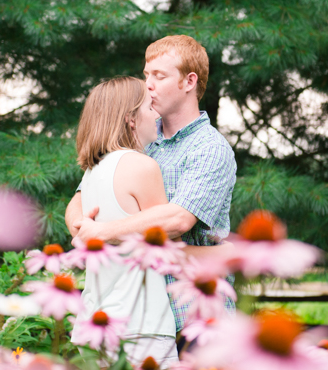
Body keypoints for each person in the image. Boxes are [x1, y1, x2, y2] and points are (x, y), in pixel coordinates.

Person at [65, 35, 237, 339]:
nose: (148, 85)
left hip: (194, 317)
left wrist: (101, 233)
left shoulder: (209, 148)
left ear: (189, 82)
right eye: (146, 75)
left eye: (159, 76)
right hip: (139, 316)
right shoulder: (137, 135)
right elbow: (82, 196)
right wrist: (82, 227)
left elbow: (178, 220)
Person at [69, 76, 178, 365]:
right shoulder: (141, 166)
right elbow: (166, 241)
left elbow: (76, 219)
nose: (156, 114)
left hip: (93, 322)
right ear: (131, 119)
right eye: (148, 107)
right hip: (140, 326)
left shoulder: (93, 171)